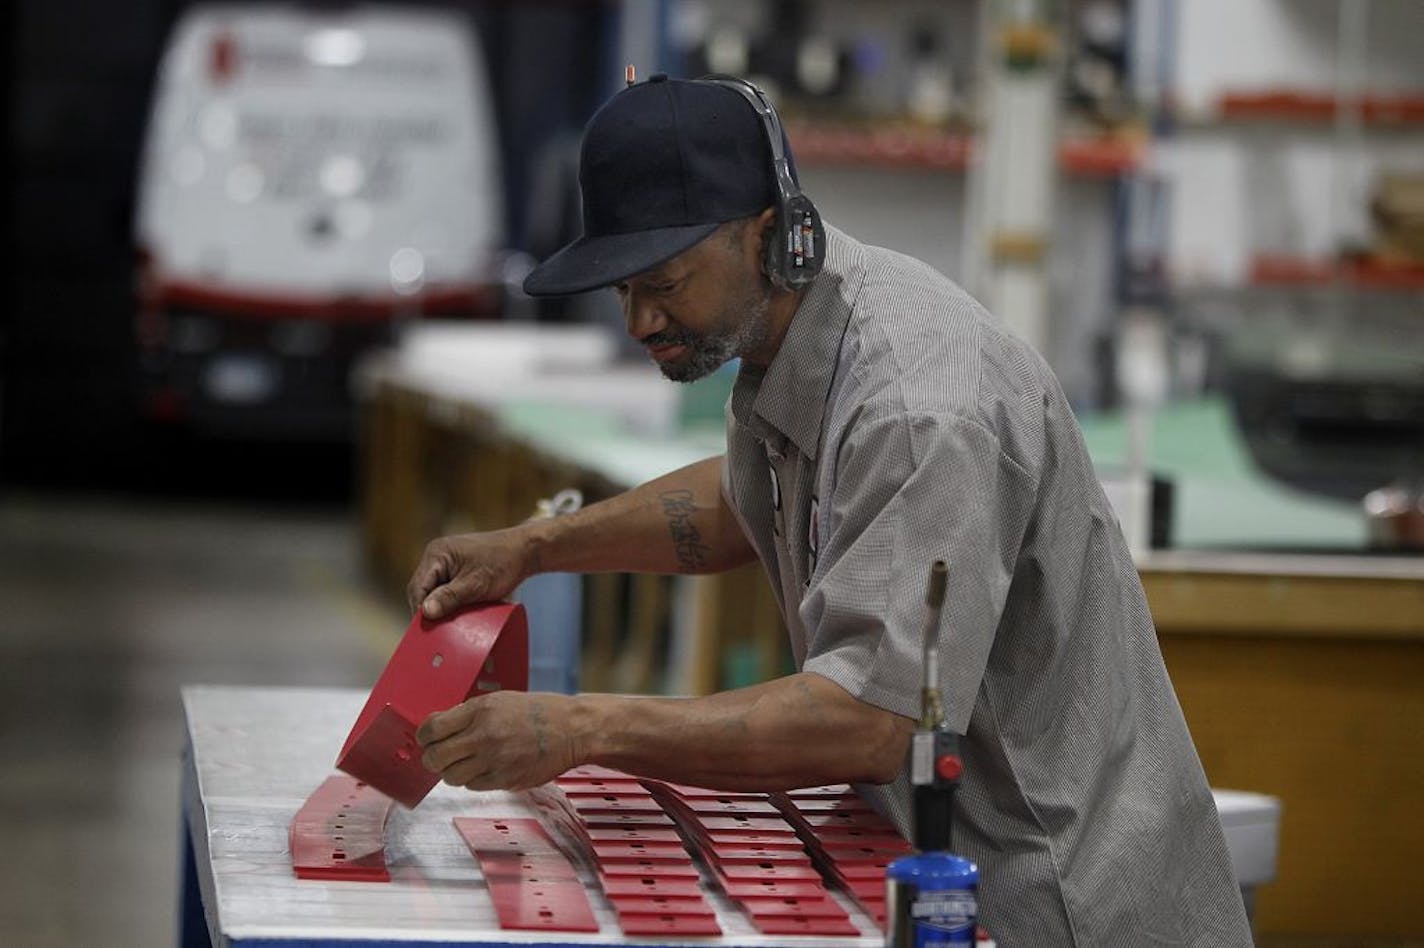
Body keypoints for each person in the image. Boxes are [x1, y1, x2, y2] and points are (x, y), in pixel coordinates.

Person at [409, 73, 1252, 945]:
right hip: (955, 870)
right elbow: (745, 502)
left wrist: (580, 727)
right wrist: (535, 546)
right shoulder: (789, 333)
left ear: (772, 237)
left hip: (1064, 900)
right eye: (620, 289)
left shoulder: (921, 406)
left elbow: (865, 722)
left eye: (662, 281)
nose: (639, 319)